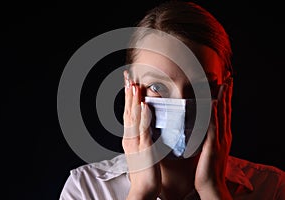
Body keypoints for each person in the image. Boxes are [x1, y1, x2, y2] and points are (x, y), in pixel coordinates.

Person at [59, 1, 285, 199]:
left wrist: (213, 191)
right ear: (129, 89)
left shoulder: (272, 188)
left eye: (200, 87)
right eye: (157, 87)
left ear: (226, 90)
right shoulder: (86, 190)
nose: (182, 105)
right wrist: (141, 192)